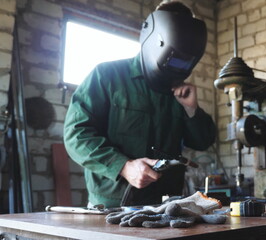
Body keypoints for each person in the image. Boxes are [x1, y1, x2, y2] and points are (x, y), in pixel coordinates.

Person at [63, 1, 216, 208]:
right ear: (154, 36)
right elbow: (76, 134)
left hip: (166, 206)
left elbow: (203, 141)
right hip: (112, 206)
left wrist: (191, 109)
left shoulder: (179, 92)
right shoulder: (107, 76)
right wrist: (123, 166)